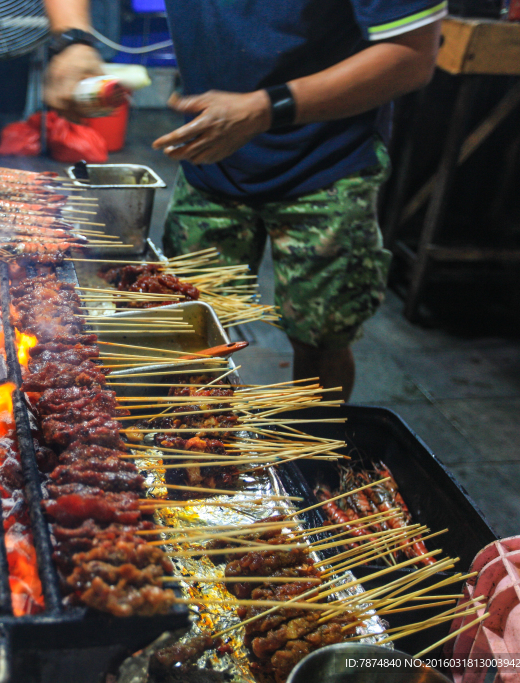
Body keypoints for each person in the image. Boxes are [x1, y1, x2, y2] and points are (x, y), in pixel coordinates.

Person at [43, 0, 444, 401]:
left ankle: (320, 453)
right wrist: (73, 38)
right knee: (185, 327)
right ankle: (197, 434)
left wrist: (265, 109)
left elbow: (413, 55)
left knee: (322, 339)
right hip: (212, 155)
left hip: (328, 160)